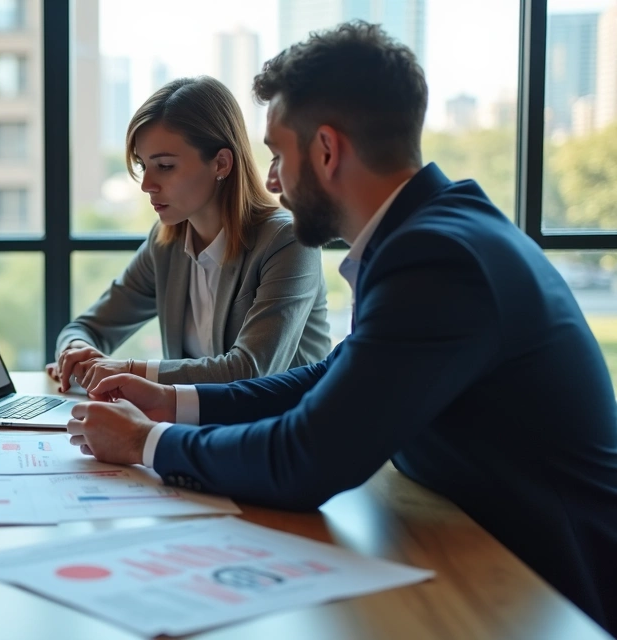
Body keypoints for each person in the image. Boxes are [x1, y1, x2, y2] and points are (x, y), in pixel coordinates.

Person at [67, 22, 617, 633]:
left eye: (277, 154)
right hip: (477, 549)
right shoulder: (432, 232)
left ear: (326, 150)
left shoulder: (439, 259)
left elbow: (309, 457)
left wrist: (146, 443)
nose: (271, 180)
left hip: (549, 595)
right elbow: (330, 376)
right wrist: (169, 400)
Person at [50, 76, 331, 394]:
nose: (147, 185)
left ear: (221, 163)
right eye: (144, 166)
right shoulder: (166, 242)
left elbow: (251, 370)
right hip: (196, 431)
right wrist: (76, 351)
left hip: (281, 434)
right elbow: (86, 328)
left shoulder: (287, 240)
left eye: (165, 166)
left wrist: (126, 370)